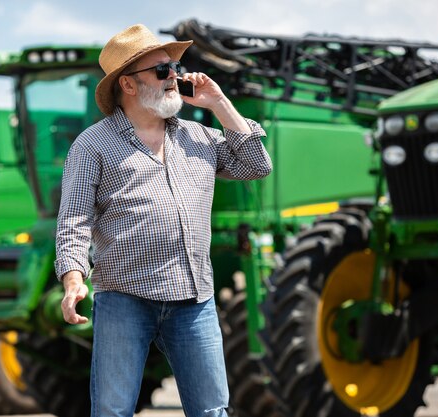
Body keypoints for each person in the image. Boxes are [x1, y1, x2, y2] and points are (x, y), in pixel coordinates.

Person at [55, 23, 272, 417]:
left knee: (212, 412)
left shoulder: (199, 136)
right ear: (129, 85)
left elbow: (257, 164)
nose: (174, 76)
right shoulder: (93, 145)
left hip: (194, 299)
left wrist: (219, 103)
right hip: (124, 298)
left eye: (173, 67)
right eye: (161, 71)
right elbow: (73, 221)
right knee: (112, 411)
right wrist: (73, 280)